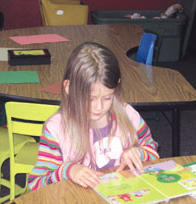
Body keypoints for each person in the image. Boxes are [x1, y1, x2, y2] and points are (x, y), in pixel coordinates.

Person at [28, 42, 159, 191]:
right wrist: (68, 171)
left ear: (116, 87)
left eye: (107, 97)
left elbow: (152, 150)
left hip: (123, 198)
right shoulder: (56, 129)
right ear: (68, 88)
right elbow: (36, 185)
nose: (99, 107)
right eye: (90, 99)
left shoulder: (128, 115)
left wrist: (139, 153)